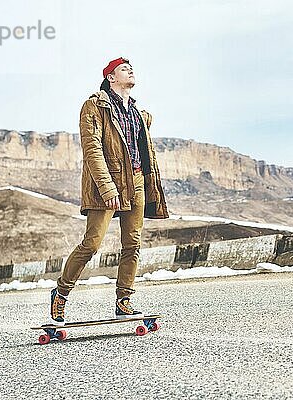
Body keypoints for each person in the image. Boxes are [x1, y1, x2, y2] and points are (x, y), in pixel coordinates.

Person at [49, 56, 169, 325]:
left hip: (136, 181)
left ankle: (124, 301)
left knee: (132, 244)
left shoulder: (137, 113)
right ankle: (61, 292)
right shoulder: (93, 106)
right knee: (92, 243)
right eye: (124, 69)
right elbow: (93, 150)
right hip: (107, 184)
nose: (131, 70)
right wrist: (107, 187)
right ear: (111, 77)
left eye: (131, 68)